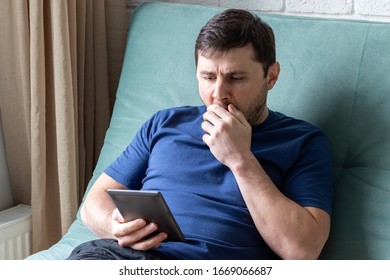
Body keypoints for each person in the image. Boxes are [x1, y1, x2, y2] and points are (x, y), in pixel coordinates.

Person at [68, 8, 333, 260]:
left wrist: (240, 159)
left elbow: (302, 250)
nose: (218, 94)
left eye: (236, 78)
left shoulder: (302, 141)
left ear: (271, 76)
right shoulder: (165, 123)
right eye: (208, 77)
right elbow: (93, 204)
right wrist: (115, 226)